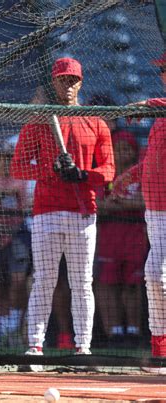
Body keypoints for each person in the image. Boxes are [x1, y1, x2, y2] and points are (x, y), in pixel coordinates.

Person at [10, 57, 115, 371]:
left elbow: (108, 169)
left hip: (84, 212)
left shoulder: (95, 121)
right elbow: (17, 166)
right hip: (46, 212)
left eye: (72, 80)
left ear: (80, 83)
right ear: (54, 83)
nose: (67, 85)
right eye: (62, 80)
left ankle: (83, 349)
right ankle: (35, 349)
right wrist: (50, 168)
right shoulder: (39, 120)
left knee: (83, 282)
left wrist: (82, 175)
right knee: (43, 280)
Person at [128, 52, 166, 373]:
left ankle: (161, 346)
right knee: (155, 276)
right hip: (154, 210)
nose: (164, 73)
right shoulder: (161, 116)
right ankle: (160, 348)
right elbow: (156, 159)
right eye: (163, 69)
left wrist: (151, 102)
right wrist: (132, 173)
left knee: (156, 274)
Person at [95, 130, 148, 348]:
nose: (123, 153)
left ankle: (133, 332)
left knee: (132, 284)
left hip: (135, 236)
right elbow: (98, 204)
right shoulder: (108, 175)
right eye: (118, 149)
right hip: (109, 235)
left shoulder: (143, 174)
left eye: (127, 149)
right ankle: (113, 332)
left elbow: (145, 203)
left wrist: (120, 204)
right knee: (108, 284)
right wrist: (120, 205)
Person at [0, 135, 33, 348]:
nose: (5, 162)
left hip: (18, 234)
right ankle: (4, 329)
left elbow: (10, 193)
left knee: (17, 280)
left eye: (9, 158)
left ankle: (15, 325)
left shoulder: (20, 178)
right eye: (1, 158)